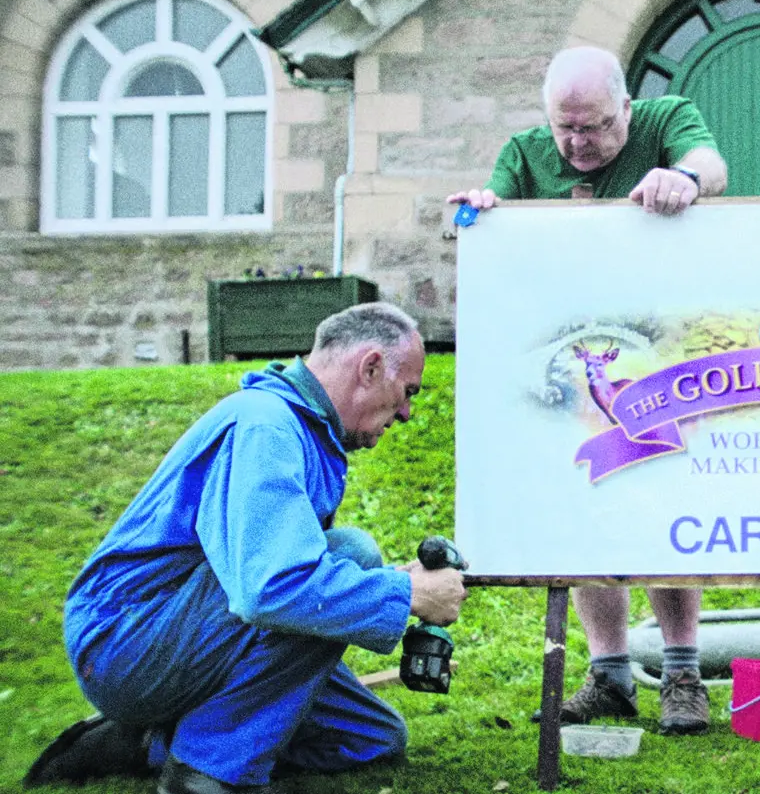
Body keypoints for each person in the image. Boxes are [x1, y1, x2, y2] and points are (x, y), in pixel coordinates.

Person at [24, 302, 467, 794]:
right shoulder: (266, 426)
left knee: (370, 738)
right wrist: (407, 595)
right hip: (125, 643)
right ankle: (210, 772)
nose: (405, 413)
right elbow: (271, 589)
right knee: (351, 555)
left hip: (182, 629)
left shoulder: (299, 428)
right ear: (370, 367)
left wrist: (391, 586)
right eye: (407, 391)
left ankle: (144, 742)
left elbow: (274, 576)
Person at [448, 45, 728, 735]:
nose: (576, 145)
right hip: (570, 366)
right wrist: (483, 211)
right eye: (565, 128)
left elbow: (711, 164)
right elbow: (494, 218)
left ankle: (682, 673)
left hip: (660, 356)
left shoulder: (666, 119)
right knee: (583, 505)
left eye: (595, 127)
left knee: (664, 496)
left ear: (626, 109)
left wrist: (684, 179)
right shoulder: (525, 154)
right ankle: (609, 676)